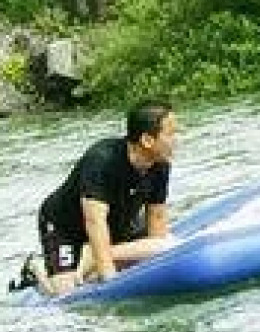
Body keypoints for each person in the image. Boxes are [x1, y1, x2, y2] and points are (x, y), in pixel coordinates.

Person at [32, 100, 179, 295]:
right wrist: (111, 282)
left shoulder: (160, 165)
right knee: (65, 294)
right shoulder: (102, 161)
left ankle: (89, 259)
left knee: (164, 245)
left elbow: (157, 220)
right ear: (147, 140)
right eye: (171, 134)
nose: (177, 140)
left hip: (117, 222)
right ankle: (38, 270)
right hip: (65, 227)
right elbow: (94, 222)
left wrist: (155, 260)